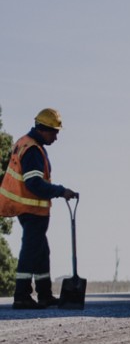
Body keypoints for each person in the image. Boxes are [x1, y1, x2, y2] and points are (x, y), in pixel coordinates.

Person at [0, 108, 78, 309]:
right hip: (31, 210)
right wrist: (61, 191)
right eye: (55, 132)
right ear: (44, 130)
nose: (56, 137)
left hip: (31, 210)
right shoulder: (33, 150)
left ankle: (44, 294)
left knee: (41, 251)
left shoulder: (24, 143)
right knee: (30, 250)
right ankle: (22, 295)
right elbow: (33, 183)